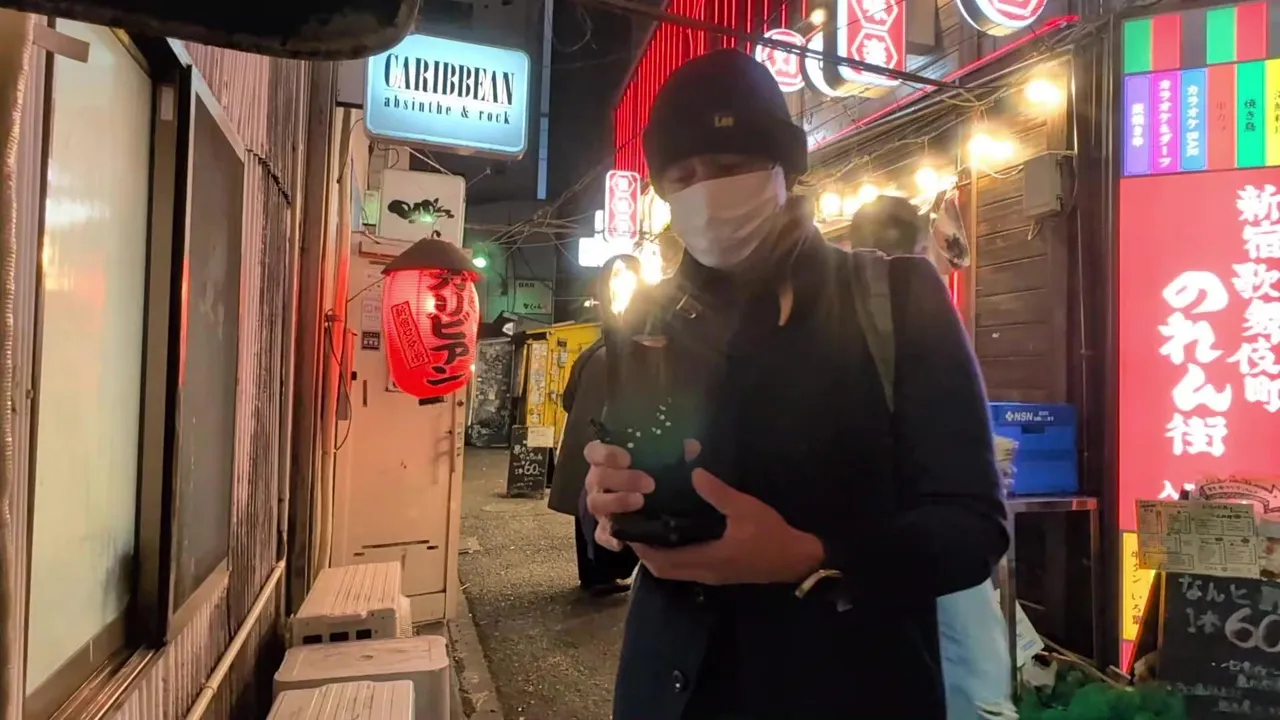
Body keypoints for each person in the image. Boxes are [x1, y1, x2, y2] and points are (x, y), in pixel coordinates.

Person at [579, 49, 1009, 719]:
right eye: (682, 177)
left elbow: (973, 526)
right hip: (672, 694)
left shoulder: (895, 300)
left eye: (729, 167)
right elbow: (611, 501)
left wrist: (812, 558)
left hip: (850, 688)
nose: (705, 193)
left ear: (783, 170)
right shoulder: (651, 319)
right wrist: (605, 504)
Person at [547, 334, 637, 596]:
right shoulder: (634, 356)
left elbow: (567, 399)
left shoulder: (589, 354)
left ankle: (592, 575)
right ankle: (604, 575)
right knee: (609, 509)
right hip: (609, 442)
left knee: (585, 509)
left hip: (581, 441)